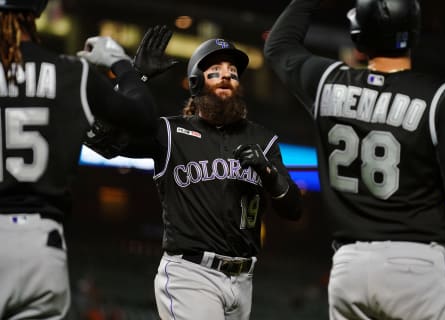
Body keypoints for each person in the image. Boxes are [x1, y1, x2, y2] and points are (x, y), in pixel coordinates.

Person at [264, 0, 445, 319]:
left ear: (359, 37)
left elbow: (278, 46)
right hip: (416, 267)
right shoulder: (439, 98)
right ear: (414, 33)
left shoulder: (327, 83)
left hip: (350, 270)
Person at [83, 38, 303, 320]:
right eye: (215, 71)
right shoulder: (170, 133)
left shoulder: (263, 139)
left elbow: (294, 209)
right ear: (196, 83)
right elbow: (98, 138)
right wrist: (134, 75)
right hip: (191, 275)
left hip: (244, 280)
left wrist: (269, 174)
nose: (226, 75)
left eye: (232, 73)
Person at [0, 1, 173, 318]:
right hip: (40, 244)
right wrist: (125, 67)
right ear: (34, 15)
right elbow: (139, 120)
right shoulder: (70, 73)